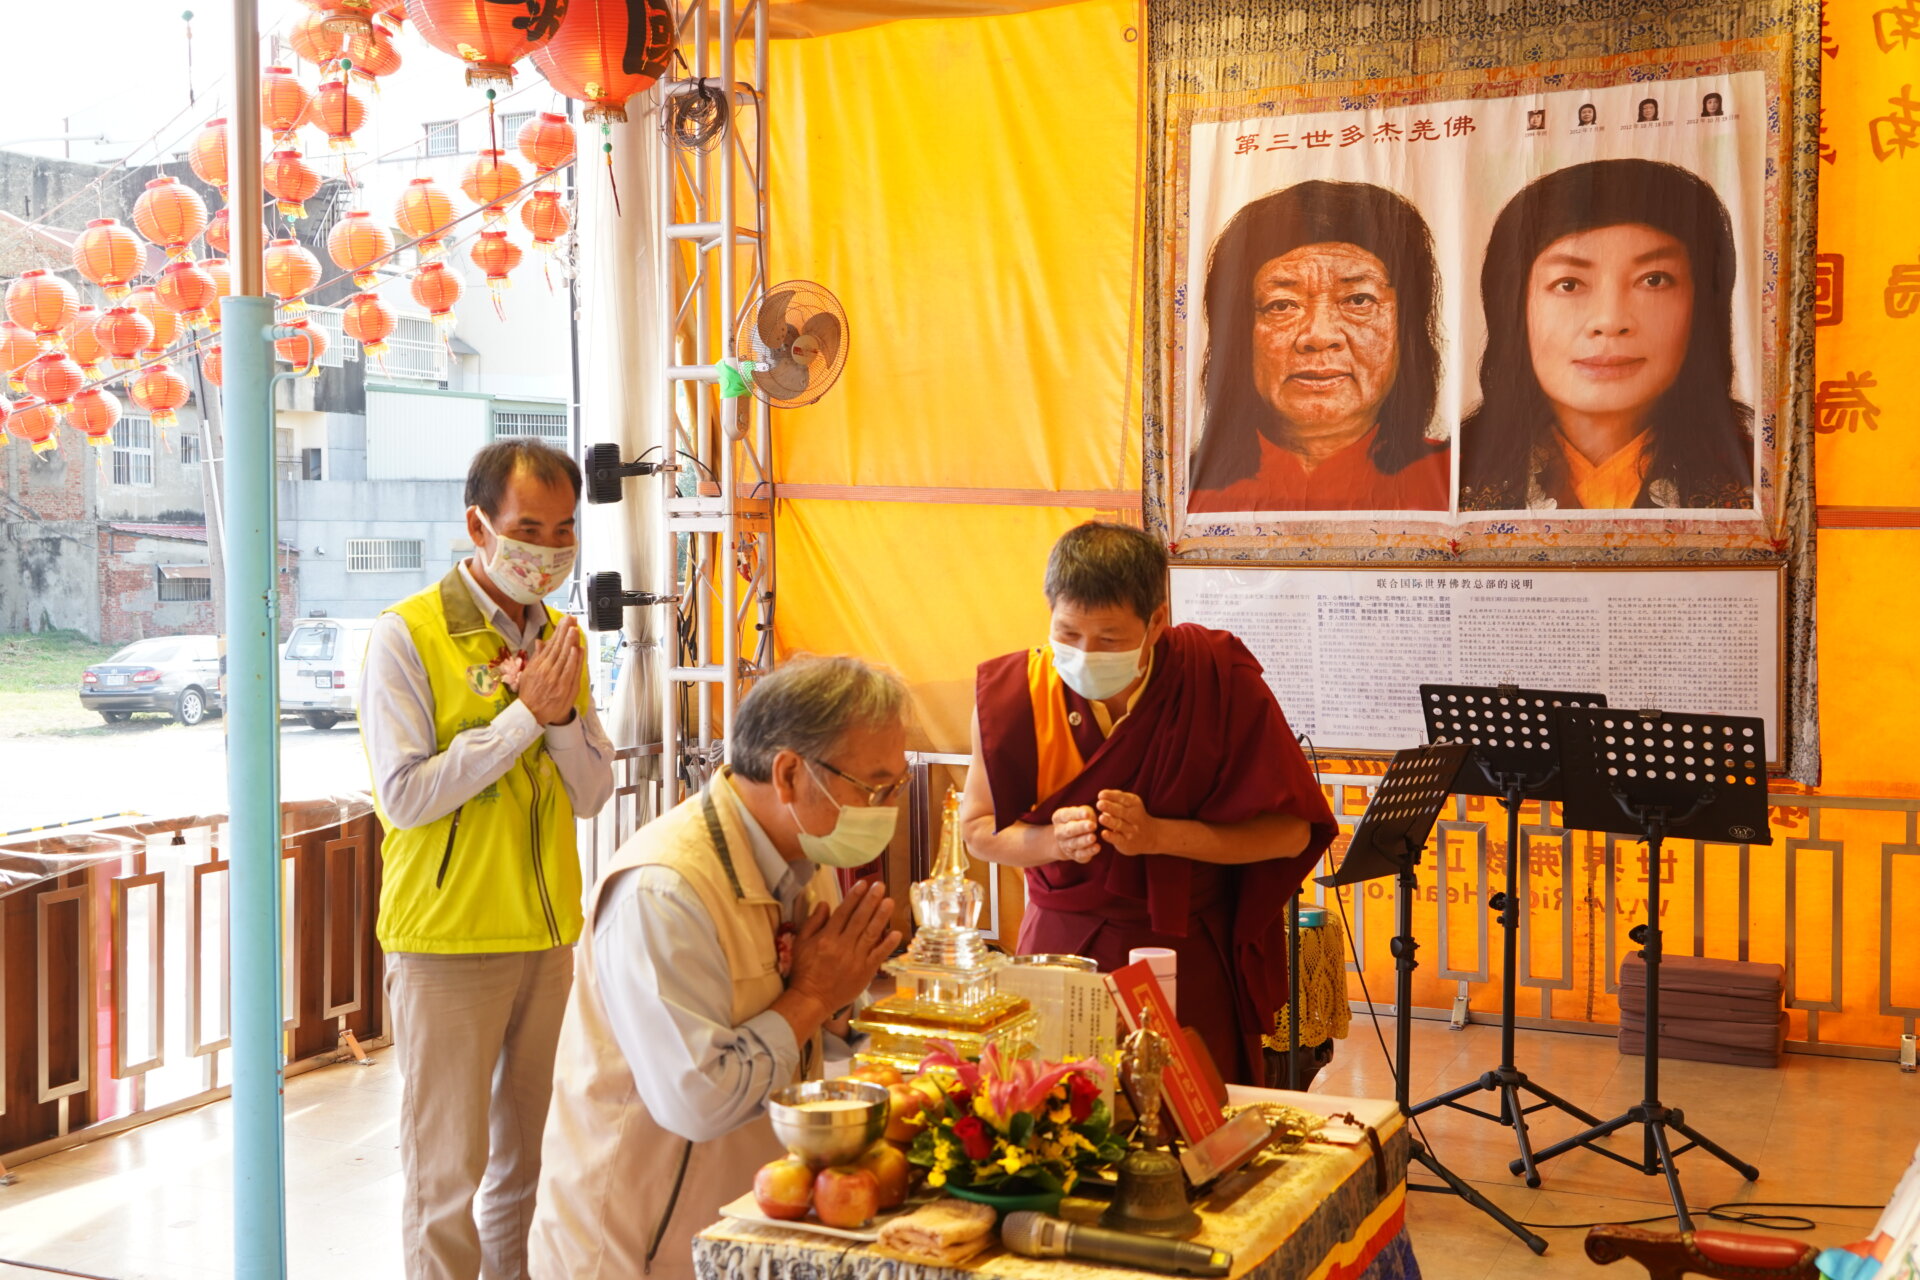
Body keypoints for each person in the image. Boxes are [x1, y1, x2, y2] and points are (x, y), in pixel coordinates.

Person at [529, 656, 907, 1280]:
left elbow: (811, 1029)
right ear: (790, 773)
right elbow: (697, 1100)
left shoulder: (804, 863)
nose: (886, 809)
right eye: (874, 788)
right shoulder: (664, 890)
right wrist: (813, 996)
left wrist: (841, 1014)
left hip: (736, 1224)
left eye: (896, 788)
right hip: (632, 1246)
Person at [360, 438, 615, 1280]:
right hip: (446, 945)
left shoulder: (563, 639)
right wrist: (519, 721)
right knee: (445, 1180)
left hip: (546, 941)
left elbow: (590, 793)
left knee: (532, 1168)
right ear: (478, 525)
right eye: (528, 528)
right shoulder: (408, 636)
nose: (548, 552)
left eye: (565, 531)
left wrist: (559, 715)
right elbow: (404, 797)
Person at [960, 522, 1337, 1084]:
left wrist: (1161, 836)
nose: (1084, 653)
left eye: (1110, 639)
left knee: (1193, 1125)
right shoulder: (1018, 691)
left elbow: (1288, 833)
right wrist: (1049, 842)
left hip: (1184, 953)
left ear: (1157, 620)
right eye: (1067, 633)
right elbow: (978, 831)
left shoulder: (1216, 677)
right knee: (1058, 1121)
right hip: (1060, 951)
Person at [1458, 159, 1754, 512]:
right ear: (1511, 309)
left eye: (1653, 280)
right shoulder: (1448, 477)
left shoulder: (1759, 480)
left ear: (1704, 305)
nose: (1610, 321)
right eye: (1568, 284)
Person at [1187, 180, 1451, 513]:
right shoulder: (1186, 489)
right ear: (1241, 338)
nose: (1319, 336)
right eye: (1282, 305)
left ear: (1407, 331)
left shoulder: (1462, 483)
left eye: (1358, 299)